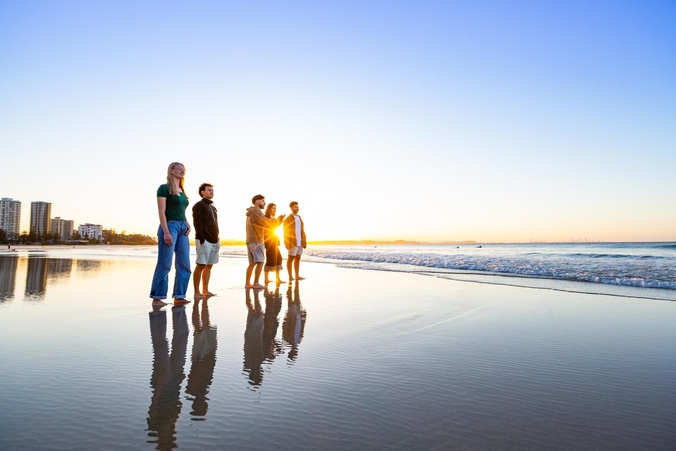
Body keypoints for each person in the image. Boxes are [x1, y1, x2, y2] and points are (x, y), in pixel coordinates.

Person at [149, 162, 192, 308]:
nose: (182, 170)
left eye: (183, 169)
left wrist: (187, 223)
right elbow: (161, 212)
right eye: (179, 168)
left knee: (184, 264)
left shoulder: (182, 190)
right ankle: (157, 297)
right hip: (170, 226)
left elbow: (182, 210)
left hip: (182, 227)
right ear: (171, 171)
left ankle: (179, 296)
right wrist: (166, 231)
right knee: (165, 264)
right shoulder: (164, 188)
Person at [245, 194, 284, 289]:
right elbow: (266, 222)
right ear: (257, 201)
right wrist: (279, 220)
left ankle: (247, 283)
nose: (264, 203)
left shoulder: (251, 212)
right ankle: (256, 283)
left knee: (252, 263)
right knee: (260, 262)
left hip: (250, 240)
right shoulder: (256, 211)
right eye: (262, 201)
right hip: (257, 240)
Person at [192, 183, 219, 298]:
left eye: (212, 190)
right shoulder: (199, 205)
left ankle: (205, 290)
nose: (211, 192)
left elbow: (215, 224)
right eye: (209, 190)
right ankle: (196, 292)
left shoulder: (212, 207)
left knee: (209, 265)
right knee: (200, 265)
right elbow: (197, 223)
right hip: (204, 240)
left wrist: (217, 238)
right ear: (202, 192)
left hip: (214, 240)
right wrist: (202, 239)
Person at [283, 201, 306, 281]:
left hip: (300, 242)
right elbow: (285, 231)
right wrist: (286, 242)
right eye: (295, 207)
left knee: (298, 258)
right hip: (292, 242)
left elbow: (302, 230)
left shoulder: (299, 217)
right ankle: (290, 276)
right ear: (291, 208)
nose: (297, 208)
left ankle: (297, 276)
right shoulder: (287, 219)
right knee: (290, 259)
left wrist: (304, 241)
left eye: (298, 207)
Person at [263, 203, 285, 285]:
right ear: (269, 209)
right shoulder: (266, 217)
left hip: (274, 240)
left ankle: (277, 278)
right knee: (270, 260)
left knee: (278, 258)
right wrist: (279, 219)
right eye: (273, 208)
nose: (275, 210)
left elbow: (275, 226)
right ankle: (266, 279)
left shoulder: (272, 218)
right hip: (269, 241)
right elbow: (270, 227)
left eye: (275, 208)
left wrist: (280, 219)